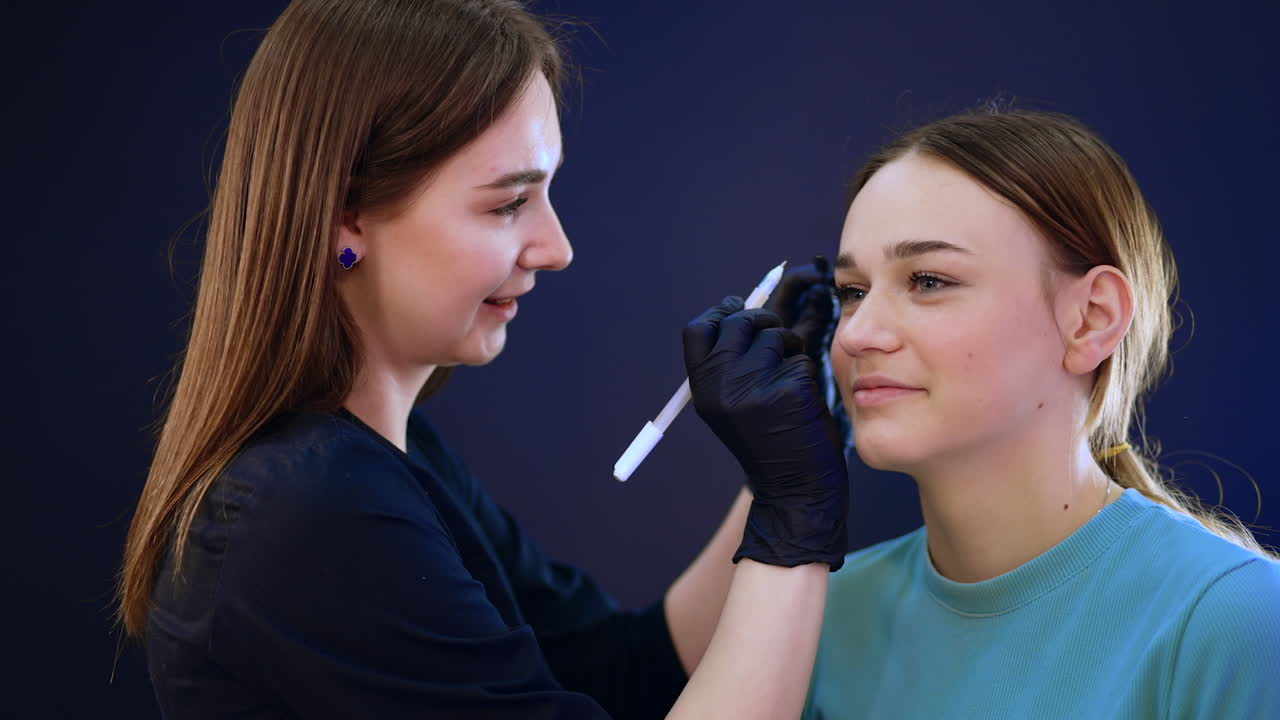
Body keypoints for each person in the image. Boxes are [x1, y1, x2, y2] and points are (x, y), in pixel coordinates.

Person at [116, 1, 850, 717]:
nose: (556, 249)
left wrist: (777, 475)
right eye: (507, 204)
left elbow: (629, 676)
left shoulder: (394, 459)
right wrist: (795, 514)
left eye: (547, 193)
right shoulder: (306, 506)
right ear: (346, 215)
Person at [796, 108, 1280, 718]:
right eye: (852, 292)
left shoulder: (1234, 620)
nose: (858, 334)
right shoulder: (828, 615)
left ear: (1092, 318)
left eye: (928, 280)